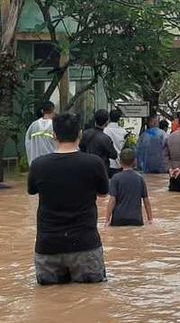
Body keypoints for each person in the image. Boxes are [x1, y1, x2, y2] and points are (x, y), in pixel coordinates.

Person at [27, 112, 109, 285]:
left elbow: (32, 191)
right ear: (79, 133)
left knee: (48, 304)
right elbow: (103, 193)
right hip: (85, 245)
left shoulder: (38, 165)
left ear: (54, 135)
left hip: (48, 246)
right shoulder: (94, 163)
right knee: (91, 300)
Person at [105, 149, 153, 227]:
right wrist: (150, 219)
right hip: (136, 219)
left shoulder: (116, 178)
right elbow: (146, 201)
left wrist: (107, 220)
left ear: (120, 162)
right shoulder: (140, 178)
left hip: (118, 219)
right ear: (135, 161)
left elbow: (112, 200)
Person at [80, 109, 119, 178]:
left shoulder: (85, 133)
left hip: (86, 167)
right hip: (101, 169)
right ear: (107, 122)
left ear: (95, 120)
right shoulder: (105, 138)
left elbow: (81, 147)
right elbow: (114, 155)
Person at [24, 101, 56, 166]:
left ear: (42, 111)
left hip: (35, 163)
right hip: (52, 163)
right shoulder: (55, 125)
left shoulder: (33, 125)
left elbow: (28, 142)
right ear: (53, 110)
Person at [103, 109, 127, 177]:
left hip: (107, 163)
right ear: (119, 119)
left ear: (109, 118)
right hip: (119, 163)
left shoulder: (105, 130)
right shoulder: (123, 131)